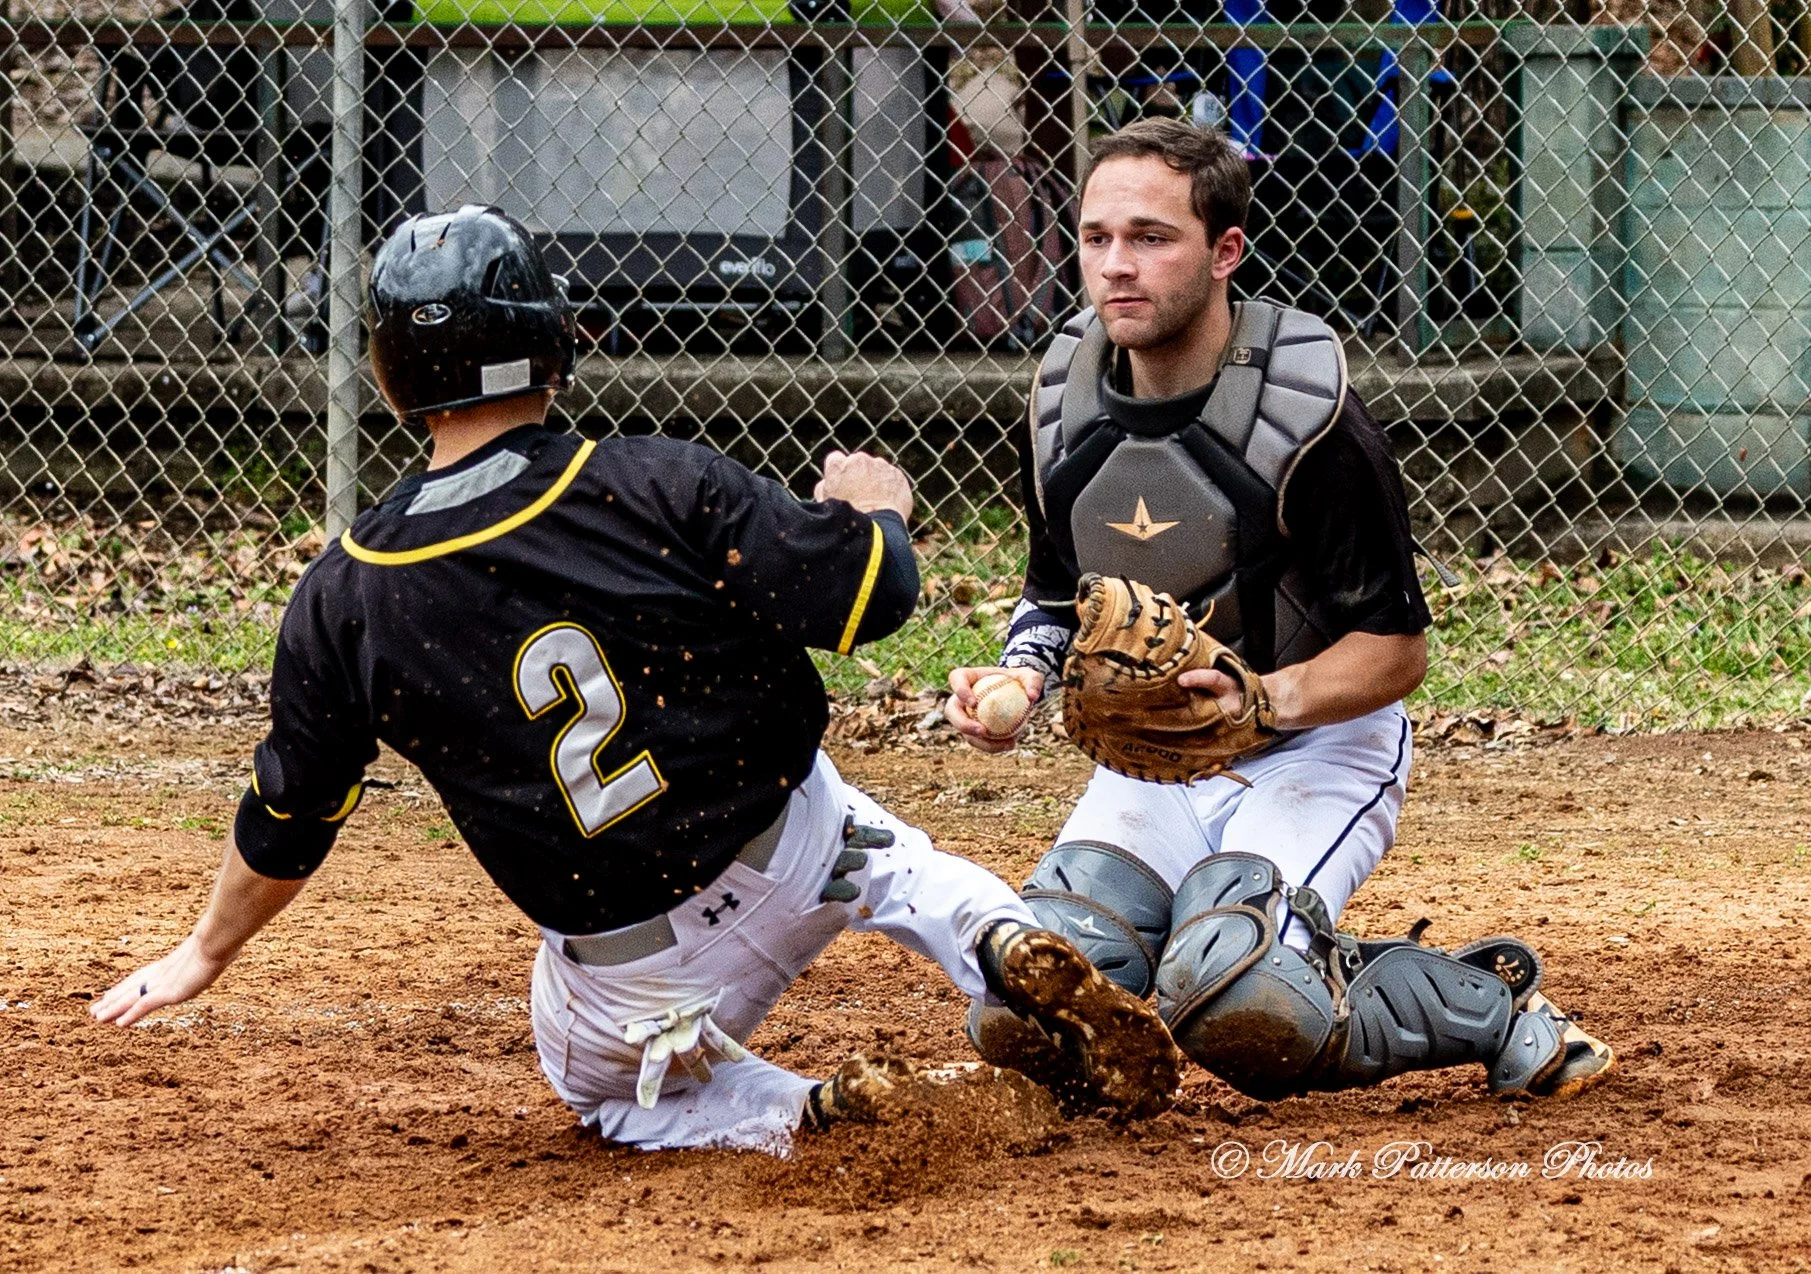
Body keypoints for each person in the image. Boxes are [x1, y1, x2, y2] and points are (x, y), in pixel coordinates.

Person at [91, 205, 1178, 1154]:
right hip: (799, 847)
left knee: (601, 1090)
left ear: (389, 374)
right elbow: (870, 599)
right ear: (551, 345)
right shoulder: (650, 481)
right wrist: (873, 506)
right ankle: (994, 936)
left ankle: (807, 1111)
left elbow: (290, 811)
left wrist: (203, 949)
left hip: (637, 968)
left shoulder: (347, 593)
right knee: (890, 856)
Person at [945, 120, 1613, 1103]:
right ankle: (1237, 956)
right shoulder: (1061, 400)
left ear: (1224, 251)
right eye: (1094, 238)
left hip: (1316, 744)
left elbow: (1393, 651)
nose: (1115, 267)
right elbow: (1053, 591)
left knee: (1238, 994)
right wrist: (1022, 670)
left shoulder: (1307, 415)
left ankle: (1485, 1003)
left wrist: (1260, 702)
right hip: (1159, 758)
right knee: (1027, 1000)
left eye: (1150, 237)